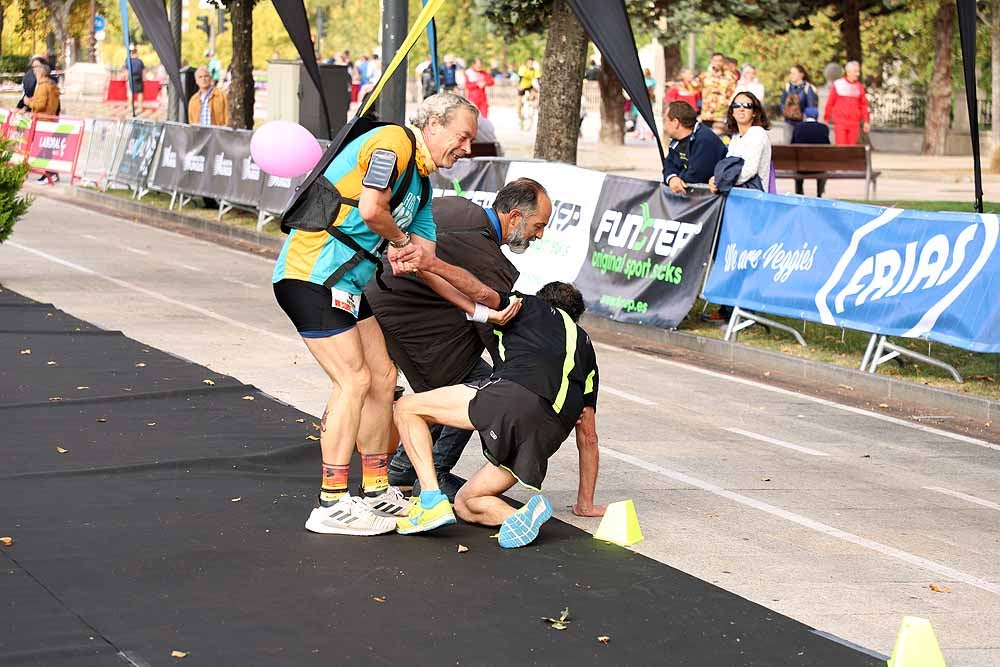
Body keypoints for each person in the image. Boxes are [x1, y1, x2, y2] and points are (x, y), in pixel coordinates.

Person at [272, 93, 512, 536]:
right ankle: (330, 502)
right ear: (433, 124)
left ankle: (378, 488)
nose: (465, 149)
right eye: (461, 137)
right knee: (355, 380)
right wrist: (401, 242)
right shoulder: (392, 141)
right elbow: (370, 209)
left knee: (384, 377)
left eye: (471, 142)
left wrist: (479, 310)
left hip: (345, 285)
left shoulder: (422, 188)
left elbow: (429, 266)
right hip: (310, 273)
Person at [371, 179, 553, 500]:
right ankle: (432, 473)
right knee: (476, 388)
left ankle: (403, 469)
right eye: (538, 226)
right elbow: (495, 329)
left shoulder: (457, 206)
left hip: (378, 298)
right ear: (514, 217)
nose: (538, 235)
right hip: (404, 312)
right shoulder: (489, 259)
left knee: (448, 385)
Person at [392, 281, 604, 547]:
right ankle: (518, 516)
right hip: (544, 437)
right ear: (576, 317)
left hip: (515, 398)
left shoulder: (528, 306)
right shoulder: (586, 349)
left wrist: (429, 266)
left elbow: (479, 293)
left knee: (408, 408)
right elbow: (588, 436)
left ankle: (431, 499)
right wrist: (585, 503)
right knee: (466, 502)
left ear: (542, 299)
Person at [707, 91, 772, 322]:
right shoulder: (736, 137)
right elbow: (728, 167)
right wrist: (716, 179)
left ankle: (745, 311)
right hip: (734, 200)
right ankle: (727, 308)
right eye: (736, 105)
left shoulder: (757, 134)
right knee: (727, 253)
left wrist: (722, 181)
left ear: (755, 111)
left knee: (743, 255)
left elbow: (748, 170)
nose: (741, 108)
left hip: (750, 203)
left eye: (747, 105)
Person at [662, 100, 727, 195]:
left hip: (710, 200)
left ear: (675, 122)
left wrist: (678, 178)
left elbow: (697, 175)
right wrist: (672, 178)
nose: (664, 125)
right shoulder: (676, 141)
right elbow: (668, 164)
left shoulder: (705, 139)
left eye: (665, 120)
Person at [23, 60, 61, 183]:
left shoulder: (43, 86)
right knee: (47, 149)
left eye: (35, 71)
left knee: (45, 150)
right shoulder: (51, 85)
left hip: (43, 121)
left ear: (41, 73)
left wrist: (29, 102)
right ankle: (49, 173)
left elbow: (40, 105)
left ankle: (50, 174)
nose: (34, 73)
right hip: (50, 120)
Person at [824, 60, 870, 145]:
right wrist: (826, 118)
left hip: (854, 123)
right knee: (841, 147)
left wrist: (866, 121)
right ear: (848, 72)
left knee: (851, 148)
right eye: (856, 71)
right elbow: (830, 102)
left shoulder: (859, 87)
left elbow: (864, 105)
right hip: (840, 122)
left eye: (858, 71)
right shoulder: (838, 84)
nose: (858, 74)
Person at [791, 106, 831, 197]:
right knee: (822, 164)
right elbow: (827, 147)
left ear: (805, 115)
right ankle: (819, 193)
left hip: (800, 167)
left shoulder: (797, 127)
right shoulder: (823, 128)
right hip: (819, 168)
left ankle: (799, 192)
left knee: (798, 162)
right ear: (816, 116)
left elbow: (792, 144)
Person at [699, 52, 737, 133]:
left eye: (720, 61)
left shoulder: (730, 77)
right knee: (705, 136)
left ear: (723, 62)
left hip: (721, 113)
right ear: (711, 61)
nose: (717, 63)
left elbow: (732, 93)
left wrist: (725, 101)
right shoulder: (704, 76)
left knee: (719, 136)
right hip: (707, 113)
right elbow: (694, 87)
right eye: (715, 60)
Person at [780, 64, 819, 139]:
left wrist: (804, 118)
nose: (791, 75)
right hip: (788, 121)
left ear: (801, 75)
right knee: (787, 146)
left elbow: (811, 107)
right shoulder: (788, 86)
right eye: (790, 73)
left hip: (802, 123)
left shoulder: (808, 88)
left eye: (794, 73)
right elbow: (782, 103)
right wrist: (786, 113)